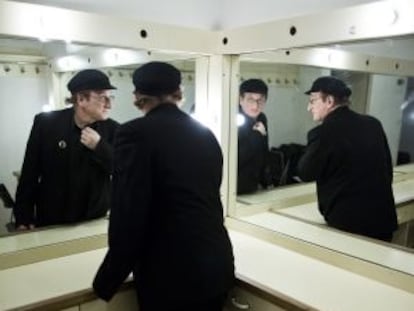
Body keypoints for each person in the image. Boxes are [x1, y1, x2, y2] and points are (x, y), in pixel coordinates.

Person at [93, 61, 234, 311]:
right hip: (217, 265)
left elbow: (128, 215)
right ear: (178, 93)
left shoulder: (134, 134)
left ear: (138, 96)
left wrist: (106, 281)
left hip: (170, 276)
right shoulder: (205, 134)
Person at [14, 69, 119, 230]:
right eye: (102, 97)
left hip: (93, 219)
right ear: (81, 99)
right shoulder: (46, 124)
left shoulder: (114, 129)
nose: (109, 104)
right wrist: (23, 215)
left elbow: (122, 170)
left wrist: (99, 146)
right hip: (52, 218)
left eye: (110, 97)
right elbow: (30, 171)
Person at [297, 76, 398, 241]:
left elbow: (305, 172)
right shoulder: (373, 124)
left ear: (329, 101)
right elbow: (387, 170)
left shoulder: (324, 132)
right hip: (382, 220)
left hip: (348, 225)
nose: (309, 107)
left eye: (313, 100)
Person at [237, 78, 270, 194]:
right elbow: (236, 159)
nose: (255, 105)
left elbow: (264, 150)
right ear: (240, 99)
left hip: (256, 185)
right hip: (235, 186)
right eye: (250, 100)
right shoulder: (232, 117)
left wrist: (265, 181)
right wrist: (256, 135)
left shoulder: (262, 117)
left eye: (260, 100)